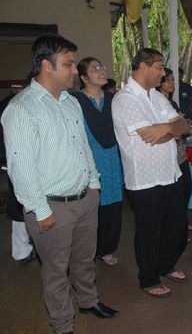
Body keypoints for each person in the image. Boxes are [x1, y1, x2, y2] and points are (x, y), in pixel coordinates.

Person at [1, 35, 118, 334]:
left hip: (84, 199)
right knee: (55, 271)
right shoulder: (22, 109)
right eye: (66, 65)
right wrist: (41, 211)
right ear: (45, 65)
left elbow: (84, 147)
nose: (72, 71)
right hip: (51, 207)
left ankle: (88, 301)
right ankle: (63, 324)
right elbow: (20, 167)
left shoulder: (70, 103)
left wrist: (93, 185)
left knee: (84, 260)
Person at [112, 48, 189, 298]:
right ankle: (148, 277)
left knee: (178, 228)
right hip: (144, 179)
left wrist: (167, 126)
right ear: (143, 67)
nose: (163, 73)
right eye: (159, 67)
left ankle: (166, 265)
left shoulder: (156, 97)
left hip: (170, 173)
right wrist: (171, 128)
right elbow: (149, 137)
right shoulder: (125, 99)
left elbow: (183, 126)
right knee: (150, 232)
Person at [74, 57, 124, 266]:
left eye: (102, 66)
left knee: (113, 208)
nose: (102, 70)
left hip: (113, 160)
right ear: (84, 77)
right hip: (89, 161)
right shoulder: (75, 102)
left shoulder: (114, 100)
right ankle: (87, 252)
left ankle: (106, 249)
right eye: (95, 68)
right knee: (90, 212)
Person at [158, 68, 192, 232]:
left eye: (174, 79)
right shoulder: (157, 102)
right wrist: (180, 127)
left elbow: (182, 127)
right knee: (174, 191)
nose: (172, 83)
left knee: (186, 188)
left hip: (180, 152)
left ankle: (181, 221)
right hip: (167, 153)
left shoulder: (172, 103)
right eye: (168, 80)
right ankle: (175, 226)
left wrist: (183, 126)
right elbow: (172, 128)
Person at [0, 89, 35, 264]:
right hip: (15, 164)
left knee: (21, 209)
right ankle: (22, 251)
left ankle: (23, 250)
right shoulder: (15, 106)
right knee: (20, 208)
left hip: (14, 162)